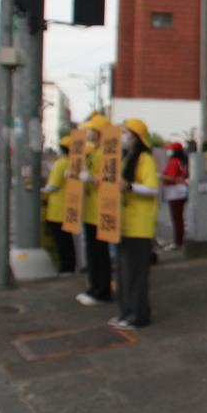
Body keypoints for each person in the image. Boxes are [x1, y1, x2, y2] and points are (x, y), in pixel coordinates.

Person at [110, 118, 160, 330]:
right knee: (124, 273)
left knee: (135, 274)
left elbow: (153, 189)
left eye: (125, 132)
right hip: (124, 224)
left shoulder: (145, 159)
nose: (122, 136)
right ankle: (126, 313)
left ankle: (137, 315)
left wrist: (129, 186)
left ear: (135, 137)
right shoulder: (127, 158)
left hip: (139, 226)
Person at [75, 113, 114, 306]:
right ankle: (95, 287)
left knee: (99, 253)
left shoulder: (107, 151)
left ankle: (100, 291)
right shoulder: (98, 150)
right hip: (91, 211)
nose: (88, 133)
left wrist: (89, 178)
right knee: (94, 251)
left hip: (100, 211)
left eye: (92, 129)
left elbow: (108, 178)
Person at [42, 135, 76, 274]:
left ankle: (65, 267)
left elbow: (53, 185)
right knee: (67, 240)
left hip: (57, 209)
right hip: (69, 206)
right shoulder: (74, 162)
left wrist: (42, 190)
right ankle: (70, 265)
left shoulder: (61, 163)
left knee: (61, 241)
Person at [160, 141, 189, 251]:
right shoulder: (182, 161)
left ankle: (178, 242)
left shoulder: (174, 161)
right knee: (179, 218)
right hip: (181, 190)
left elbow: (171, 178)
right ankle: (180, 240)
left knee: (177, 218)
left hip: (174, 192)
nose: (168, 151)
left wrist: (159, 176)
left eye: (170, 149)